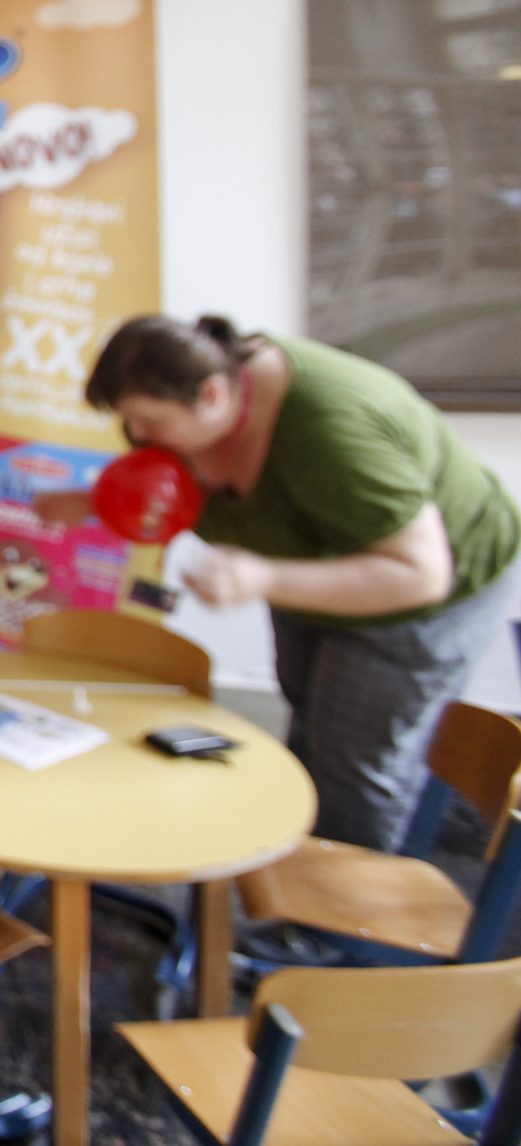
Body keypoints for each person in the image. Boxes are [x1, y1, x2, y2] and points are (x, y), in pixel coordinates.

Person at [68, 314, 520, 851]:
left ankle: (344, 899)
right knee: (310, 727)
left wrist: (263, 576)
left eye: (149, 421)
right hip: (316, 563)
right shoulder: (213, 403)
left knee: (353, 764)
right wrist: (92, 502)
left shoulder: (332, 429)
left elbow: (420, 574)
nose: (139, 438)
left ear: (211, 394)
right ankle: (302, 869)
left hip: (420, 593)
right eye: (129, 423)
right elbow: (181, 490)